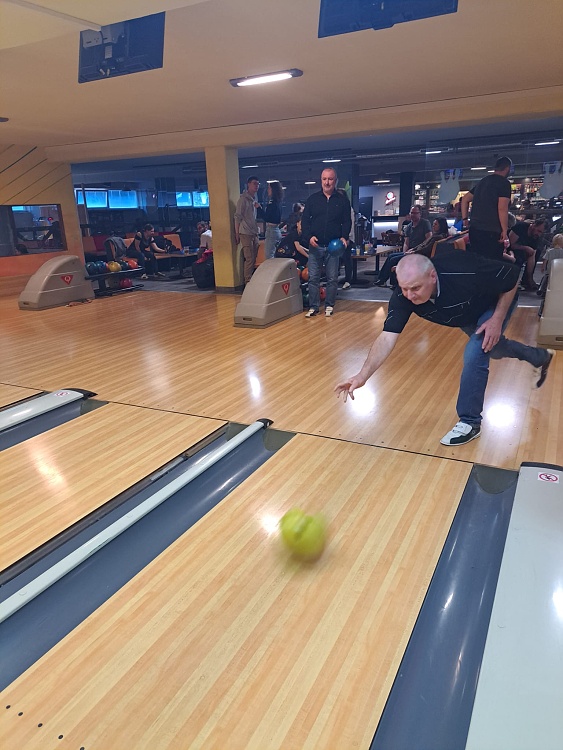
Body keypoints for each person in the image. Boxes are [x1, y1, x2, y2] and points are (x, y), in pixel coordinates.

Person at [335, 252, 554, 446]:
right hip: (465, 313)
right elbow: (387, 337)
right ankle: (540, 357)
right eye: (404, 288)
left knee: (475, 353)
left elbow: (512, 277)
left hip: (494, 302)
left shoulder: (464, 271)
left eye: (415, 288)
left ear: (432, 276)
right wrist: (362, 376)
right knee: (494, 349)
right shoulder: (404, 296)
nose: (410, 295)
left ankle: (470, 422)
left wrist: (497, 319)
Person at [300, 167, 352, 317]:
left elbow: (346, 221)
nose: (327, 182)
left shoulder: (342, 201)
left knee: (332, 278)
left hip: (333, 246)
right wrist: (308, 237)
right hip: (315, 245)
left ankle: (329, 305)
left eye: (330, 179)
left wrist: (344, 236)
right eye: (324, 179)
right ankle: (314, 307)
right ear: (321, 180)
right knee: (313, 278)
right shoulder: (313, 200)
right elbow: (305, 221)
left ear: (335, 181)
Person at [461, 156, 512, 259]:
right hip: (491, 231)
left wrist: (465, 219)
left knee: (478, 261)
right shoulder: (504, 183)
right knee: (492, 263)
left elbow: (465, 199)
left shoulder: (483, 181)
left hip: (475, 230)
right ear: (507, 168)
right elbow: (502, 208)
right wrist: (504, 230)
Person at [375, 216, 448, 287]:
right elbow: (422, 244)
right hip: (418, 253)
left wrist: (414, 252)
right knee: (391, 256)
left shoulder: (437, 237)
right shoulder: (435, 235)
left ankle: (388, 281)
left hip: (421, 256)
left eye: (435, 224)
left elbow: (426, 249)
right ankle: (382, 279)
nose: (433, 226)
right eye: (433, 224)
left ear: (441, 226)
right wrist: (413, 249)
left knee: (393, 259)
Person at [234, 175, 261, 285]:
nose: (256, 186)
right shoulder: (243, 200)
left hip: (254, 232)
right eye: (254, 183)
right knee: (249, 258)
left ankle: (251, 279)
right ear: (248, 184)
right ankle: (247, 282)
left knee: (254, 258)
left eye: (258, 184)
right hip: (245, 233)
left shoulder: (254, 199)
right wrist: (237, 234)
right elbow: (237, 217)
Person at [508, 217, 547, 290]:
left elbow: (532, 254)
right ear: (533, 225)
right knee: (519, 257)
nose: (538, 234)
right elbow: (510, 244)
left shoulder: (536, 237)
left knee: (536, 252)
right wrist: (525, 248)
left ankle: (527, 280)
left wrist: (530, 277)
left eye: (541, 232)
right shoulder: (520, 227)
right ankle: (513, 281)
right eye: (538, 231)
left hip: (521, 249)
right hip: (510, 249)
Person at [263, 181, 284, 260]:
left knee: (269, 256)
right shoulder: (279, 202)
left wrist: (258, 209)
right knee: (275, 255)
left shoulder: (272, 203)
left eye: (269, 188)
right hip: (277, 230)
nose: (268, 190)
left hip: (271, 230)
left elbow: (266, 217)